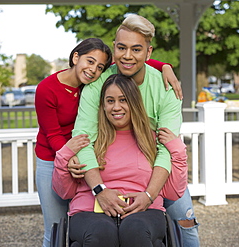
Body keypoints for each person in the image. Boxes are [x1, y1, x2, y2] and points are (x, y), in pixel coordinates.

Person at [34, 37, 182, 246]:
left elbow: (132, 61)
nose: (93, 69)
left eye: (100, 66)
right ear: (75, 57)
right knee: (54, 226)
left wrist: (164, 66)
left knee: (185, 220)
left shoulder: (95, 85)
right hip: (55, 155)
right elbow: (53, 135)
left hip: (82, 150)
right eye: (90, 61)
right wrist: (69, 157)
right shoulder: (47, 88)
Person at [70, 14, 200, 246]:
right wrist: (99, 189)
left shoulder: (166, 88)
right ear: (114, 48)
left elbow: (166, 147)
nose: (127, 56)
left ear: (149, 54)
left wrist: (150, 195)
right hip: (107, 172)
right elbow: (83, 139)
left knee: (185, 222)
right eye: (122, 47)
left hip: (154, 174)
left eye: (136, 49)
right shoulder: (97, 84)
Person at [53, 74, 188, 246]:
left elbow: (173, 192)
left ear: (134, 103)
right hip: (90, 212)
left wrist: (177, 149)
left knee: (135, 229)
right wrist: (65, 155)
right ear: (102, 106)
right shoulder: (88, 143)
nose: (116, 107)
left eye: (123, 100)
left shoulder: (152, 141)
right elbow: (64, 191)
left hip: (144, 212)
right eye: (110, 101)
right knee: (101, 233)